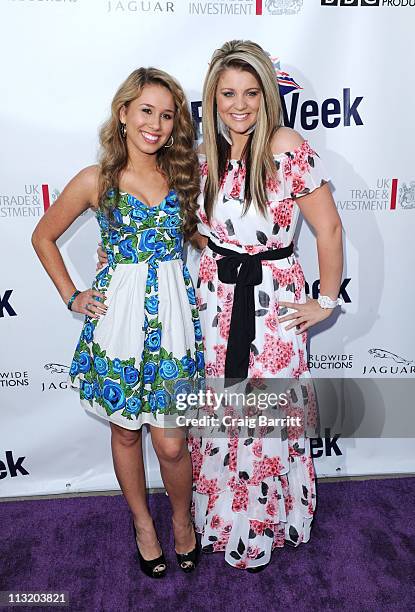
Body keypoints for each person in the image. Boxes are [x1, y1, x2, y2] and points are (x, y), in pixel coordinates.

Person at [31, 67, 204, 578]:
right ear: (123, 113)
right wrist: (72, 295)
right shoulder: (96, 179)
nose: (156, 123)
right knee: (126, 433)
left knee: (171, 439)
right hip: (119, 323)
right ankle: (142, 526)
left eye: (167, 114)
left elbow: (207, 239)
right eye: (146, 110)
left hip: (172, 320)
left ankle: (181, 521)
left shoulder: (186, 175)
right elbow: (43, 236)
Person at [188, 40, 343, 571]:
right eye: (228, 92)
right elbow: (192, 225)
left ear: (266, 95)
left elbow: (329, 227)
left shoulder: (286, 147)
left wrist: (324, 299)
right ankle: (220, 517)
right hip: (215, 299)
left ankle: (265, 521)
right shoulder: (203, 152)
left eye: (251, 92)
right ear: (212, 97)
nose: (239, 104)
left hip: (272, 299)